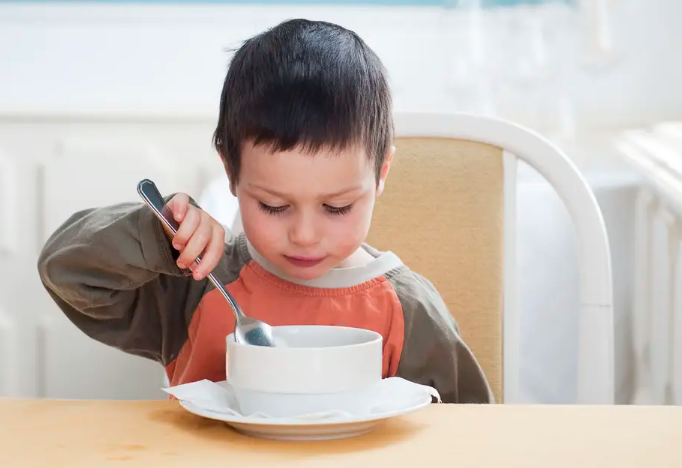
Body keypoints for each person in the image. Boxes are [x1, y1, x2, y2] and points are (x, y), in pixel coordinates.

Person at [37, 19, 493, 404]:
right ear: (231, 173)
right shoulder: (195, 282)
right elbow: (68, 272)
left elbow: (468, 433)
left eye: (337, 207)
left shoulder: (407, 311)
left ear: (381, 174)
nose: (305, 234)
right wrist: (159, 239)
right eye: (274, 206)